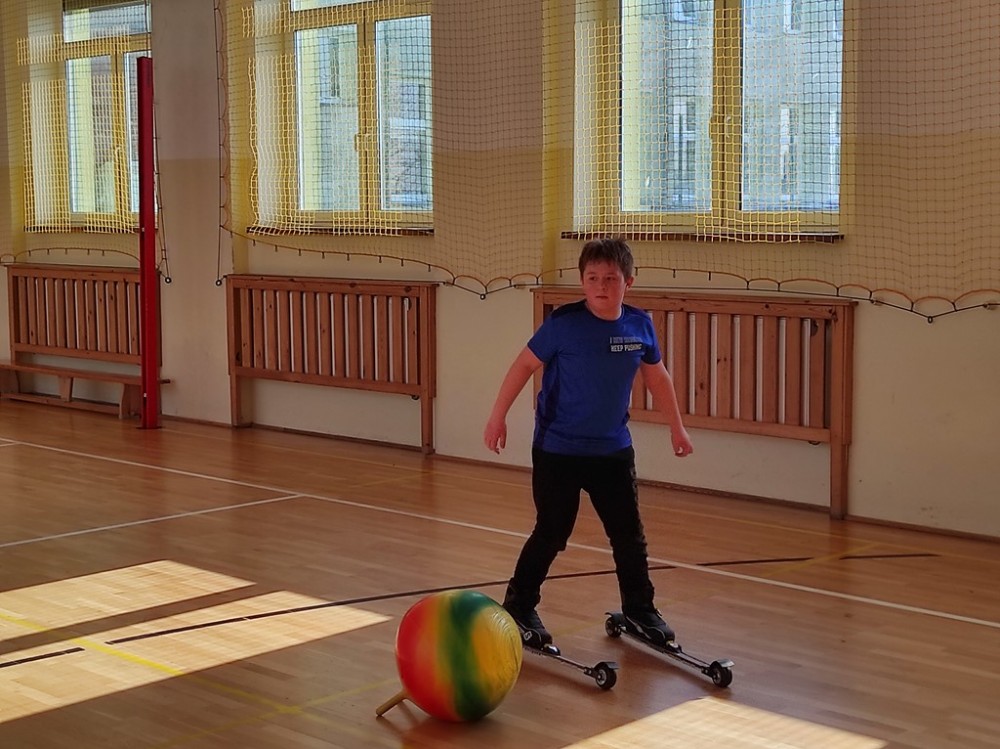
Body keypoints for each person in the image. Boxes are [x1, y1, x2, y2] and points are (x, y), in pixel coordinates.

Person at [483, 237, 694, 647]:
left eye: (611, 278)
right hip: (558, 450)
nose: (601, 286)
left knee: (628, 535)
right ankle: (519, 605)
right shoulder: (564, 324)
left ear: (628, 282)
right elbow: (523, 365)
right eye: (592, 278)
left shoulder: (639, 326)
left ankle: (639, 609)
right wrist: (497, 417)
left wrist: (677, 427)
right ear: (582, 281)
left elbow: (657, 377)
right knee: (552, 532)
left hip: (612, 451)